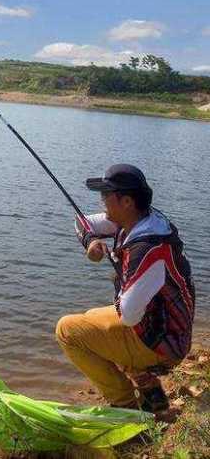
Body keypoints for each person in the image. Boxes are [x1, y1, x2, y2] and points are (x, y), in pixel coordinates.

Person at [56, 164, 195, 412]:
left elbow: (129, 315)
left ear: (127, 201)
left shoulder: (147, 250)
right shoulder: (143, 220)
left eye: (105, 196)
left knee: (67, 331)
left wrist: (121, 285)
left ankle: (125, 405)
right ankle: (152, 393)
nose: (101, 202)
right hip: (168, 330)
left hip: (166, 344)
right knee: (89, 319)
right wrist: (91, 241)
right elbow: (83, 222)